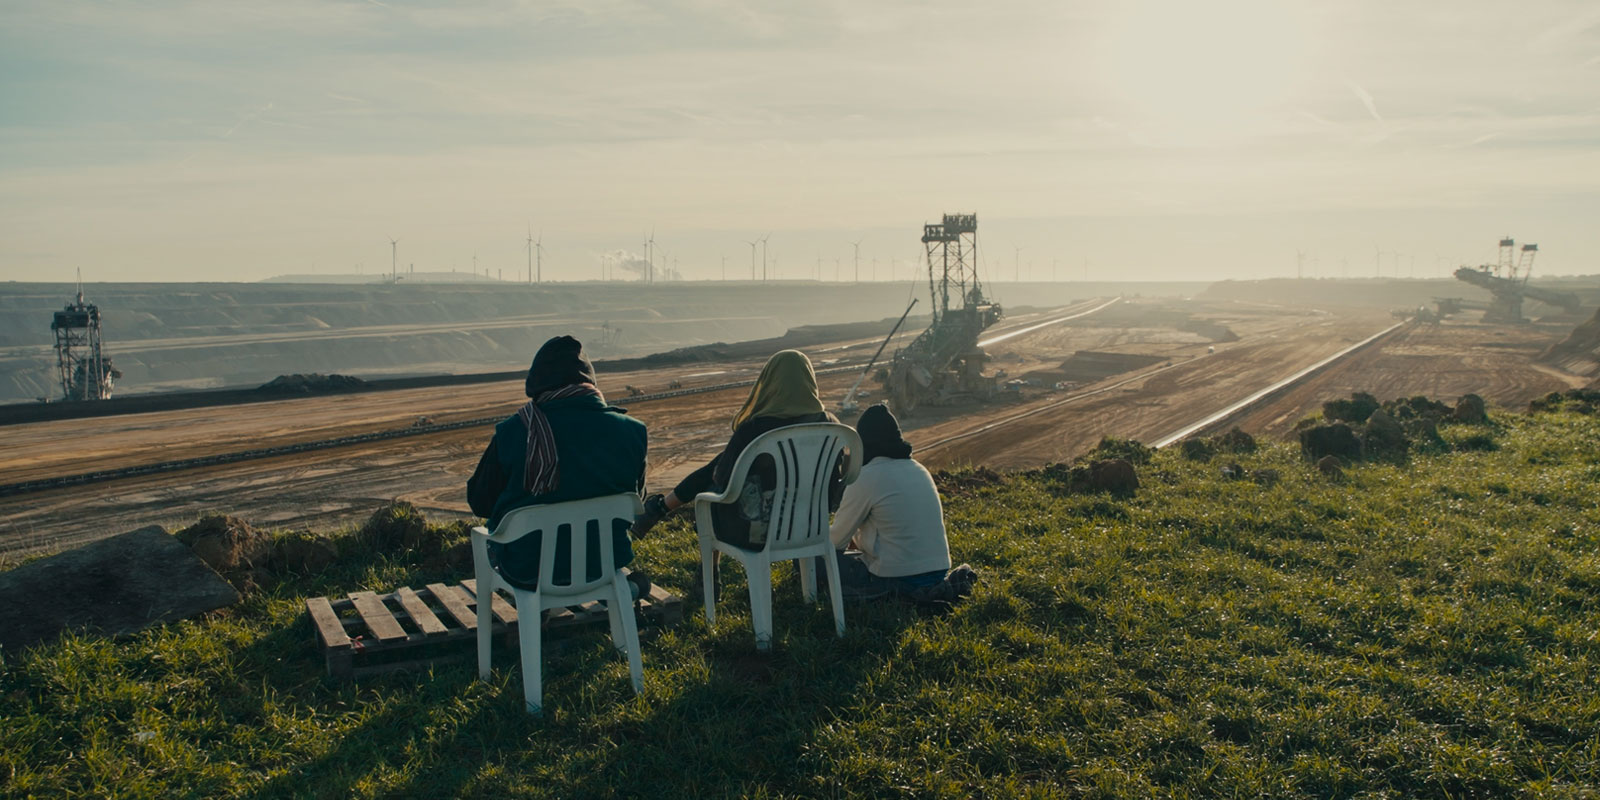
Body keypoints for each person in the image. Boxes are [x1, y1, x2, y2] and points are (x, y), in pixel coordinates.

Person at [466, 335, 648, 590]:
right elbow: (636, 498)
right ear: (591, 383)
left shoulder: (515, 431)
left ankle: (537, 610)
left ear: (537, 385)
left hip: (529, 570)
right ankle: (626, 591)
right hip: (605, 562)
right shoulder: (633, 431)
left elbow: (480, 502)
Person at [631, 349, 837, 548]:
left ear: (769, 382)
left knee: (714, 486)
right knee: (725, 460)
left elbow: (722, 480)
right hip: (810, 528)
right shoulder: (832, 427)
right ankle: (657, 509)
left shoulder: (754, 430)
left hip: (755, 533)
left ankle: (708, 574)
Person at [825, 403, 970, 601]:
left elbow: (834, 542)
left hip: (896, 576)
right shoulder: (919, 469)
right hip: (937, 571)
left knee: (813, 561)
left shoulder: (867, 476)